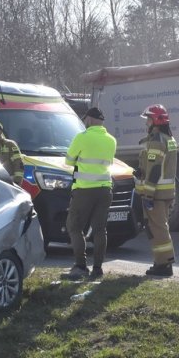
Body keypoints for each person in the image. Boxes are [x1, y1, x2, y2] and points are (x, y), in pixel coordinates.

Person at [61, 107, 117, 281]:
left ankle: (80, 266)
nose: (85, 122)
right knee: (100, 229)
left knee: (74, 226)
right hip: (105, 189)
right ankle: (98, 269)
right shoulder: (112, 140)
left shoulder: (81, 137)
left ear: (90, 119)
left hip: (84, 190)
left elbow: (68, 161)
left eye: (86, 119)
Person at [135, 104, 178, 277]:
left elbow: (154, 170)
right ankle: (161, 262)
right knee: (159, 227)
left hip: (156, 194)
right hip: (165, 193)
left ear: (156, 121)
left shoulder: (157, 141)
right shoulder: (169, 139)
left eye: (149, 119)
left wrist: (148, 194)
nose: (146, 122)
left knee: (158, 229)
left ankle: (164, 265)